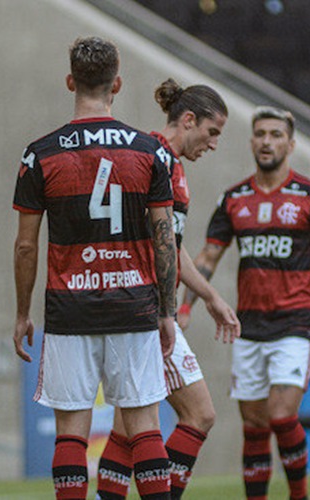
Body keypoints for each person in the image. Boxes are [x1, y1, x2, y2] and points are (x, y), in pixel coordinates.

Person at [185, 106, 310, 500]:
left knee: (281, 414)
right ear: (251, 141)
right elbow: (207, 259)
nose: (266, 141)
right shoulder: (234, 199)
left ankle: (299, 496)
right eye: (260, 134)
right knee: (254, 425)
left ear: (291, 144)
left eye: (276, 135)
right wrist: (187, 305)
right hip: (248, 327)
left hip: (296, 322)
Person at [13, 36, 177, 500]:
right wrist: (166, 311)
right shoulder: (149, 151)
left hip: (69, 309)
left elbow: (26, 247)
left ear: (70, 82)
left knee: (71, 433)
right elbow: (164, 240)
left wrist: (23, 312)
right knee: (145, 426)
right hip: (134, 302)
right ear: (117, 84)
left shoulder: (40, 154)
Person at [96, 78, 241, 500]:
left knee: (126, 428)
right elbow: (165, 250)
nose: (213, 144)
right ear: (189, 120)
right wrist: (211, 298)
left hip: (123, 300)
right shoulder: (162, 162)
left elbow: (169, 247)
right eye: (212, 132)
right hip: (144, 308)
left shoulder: (145, 154)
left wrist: (208, 295)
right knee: (199, 414)